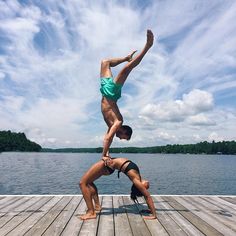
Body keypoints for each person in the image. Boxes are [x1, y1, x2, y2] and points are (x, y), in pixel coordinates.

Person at [100, 30, 154, 158]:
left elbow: (108, 138)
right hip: (111, 94)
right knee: (127, 69)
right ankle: (147, 47)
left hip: (106, 92)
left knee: (105, 62)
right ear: (125, 130)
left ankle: (126, 58)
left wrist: (106, 153)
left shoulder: (112, 125)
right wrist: (104, 156)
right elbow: (109, 138)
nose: (120, 138)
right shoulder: (118, 122)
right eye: (123, 137)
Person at [79, 157, 156, 220]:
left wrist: (154, 215)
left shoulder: (136, 180)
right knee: (89, 182)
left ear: (139, 188)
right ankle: (97, 206)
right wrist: (149, 209)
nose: (147, 185)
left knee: (82, 183)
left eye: (145, 187)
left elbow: (147, 196)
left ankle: (91, 212)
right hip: (110, 164)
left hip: (107, 165)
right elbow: (145, 195)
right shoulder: (138, 176)